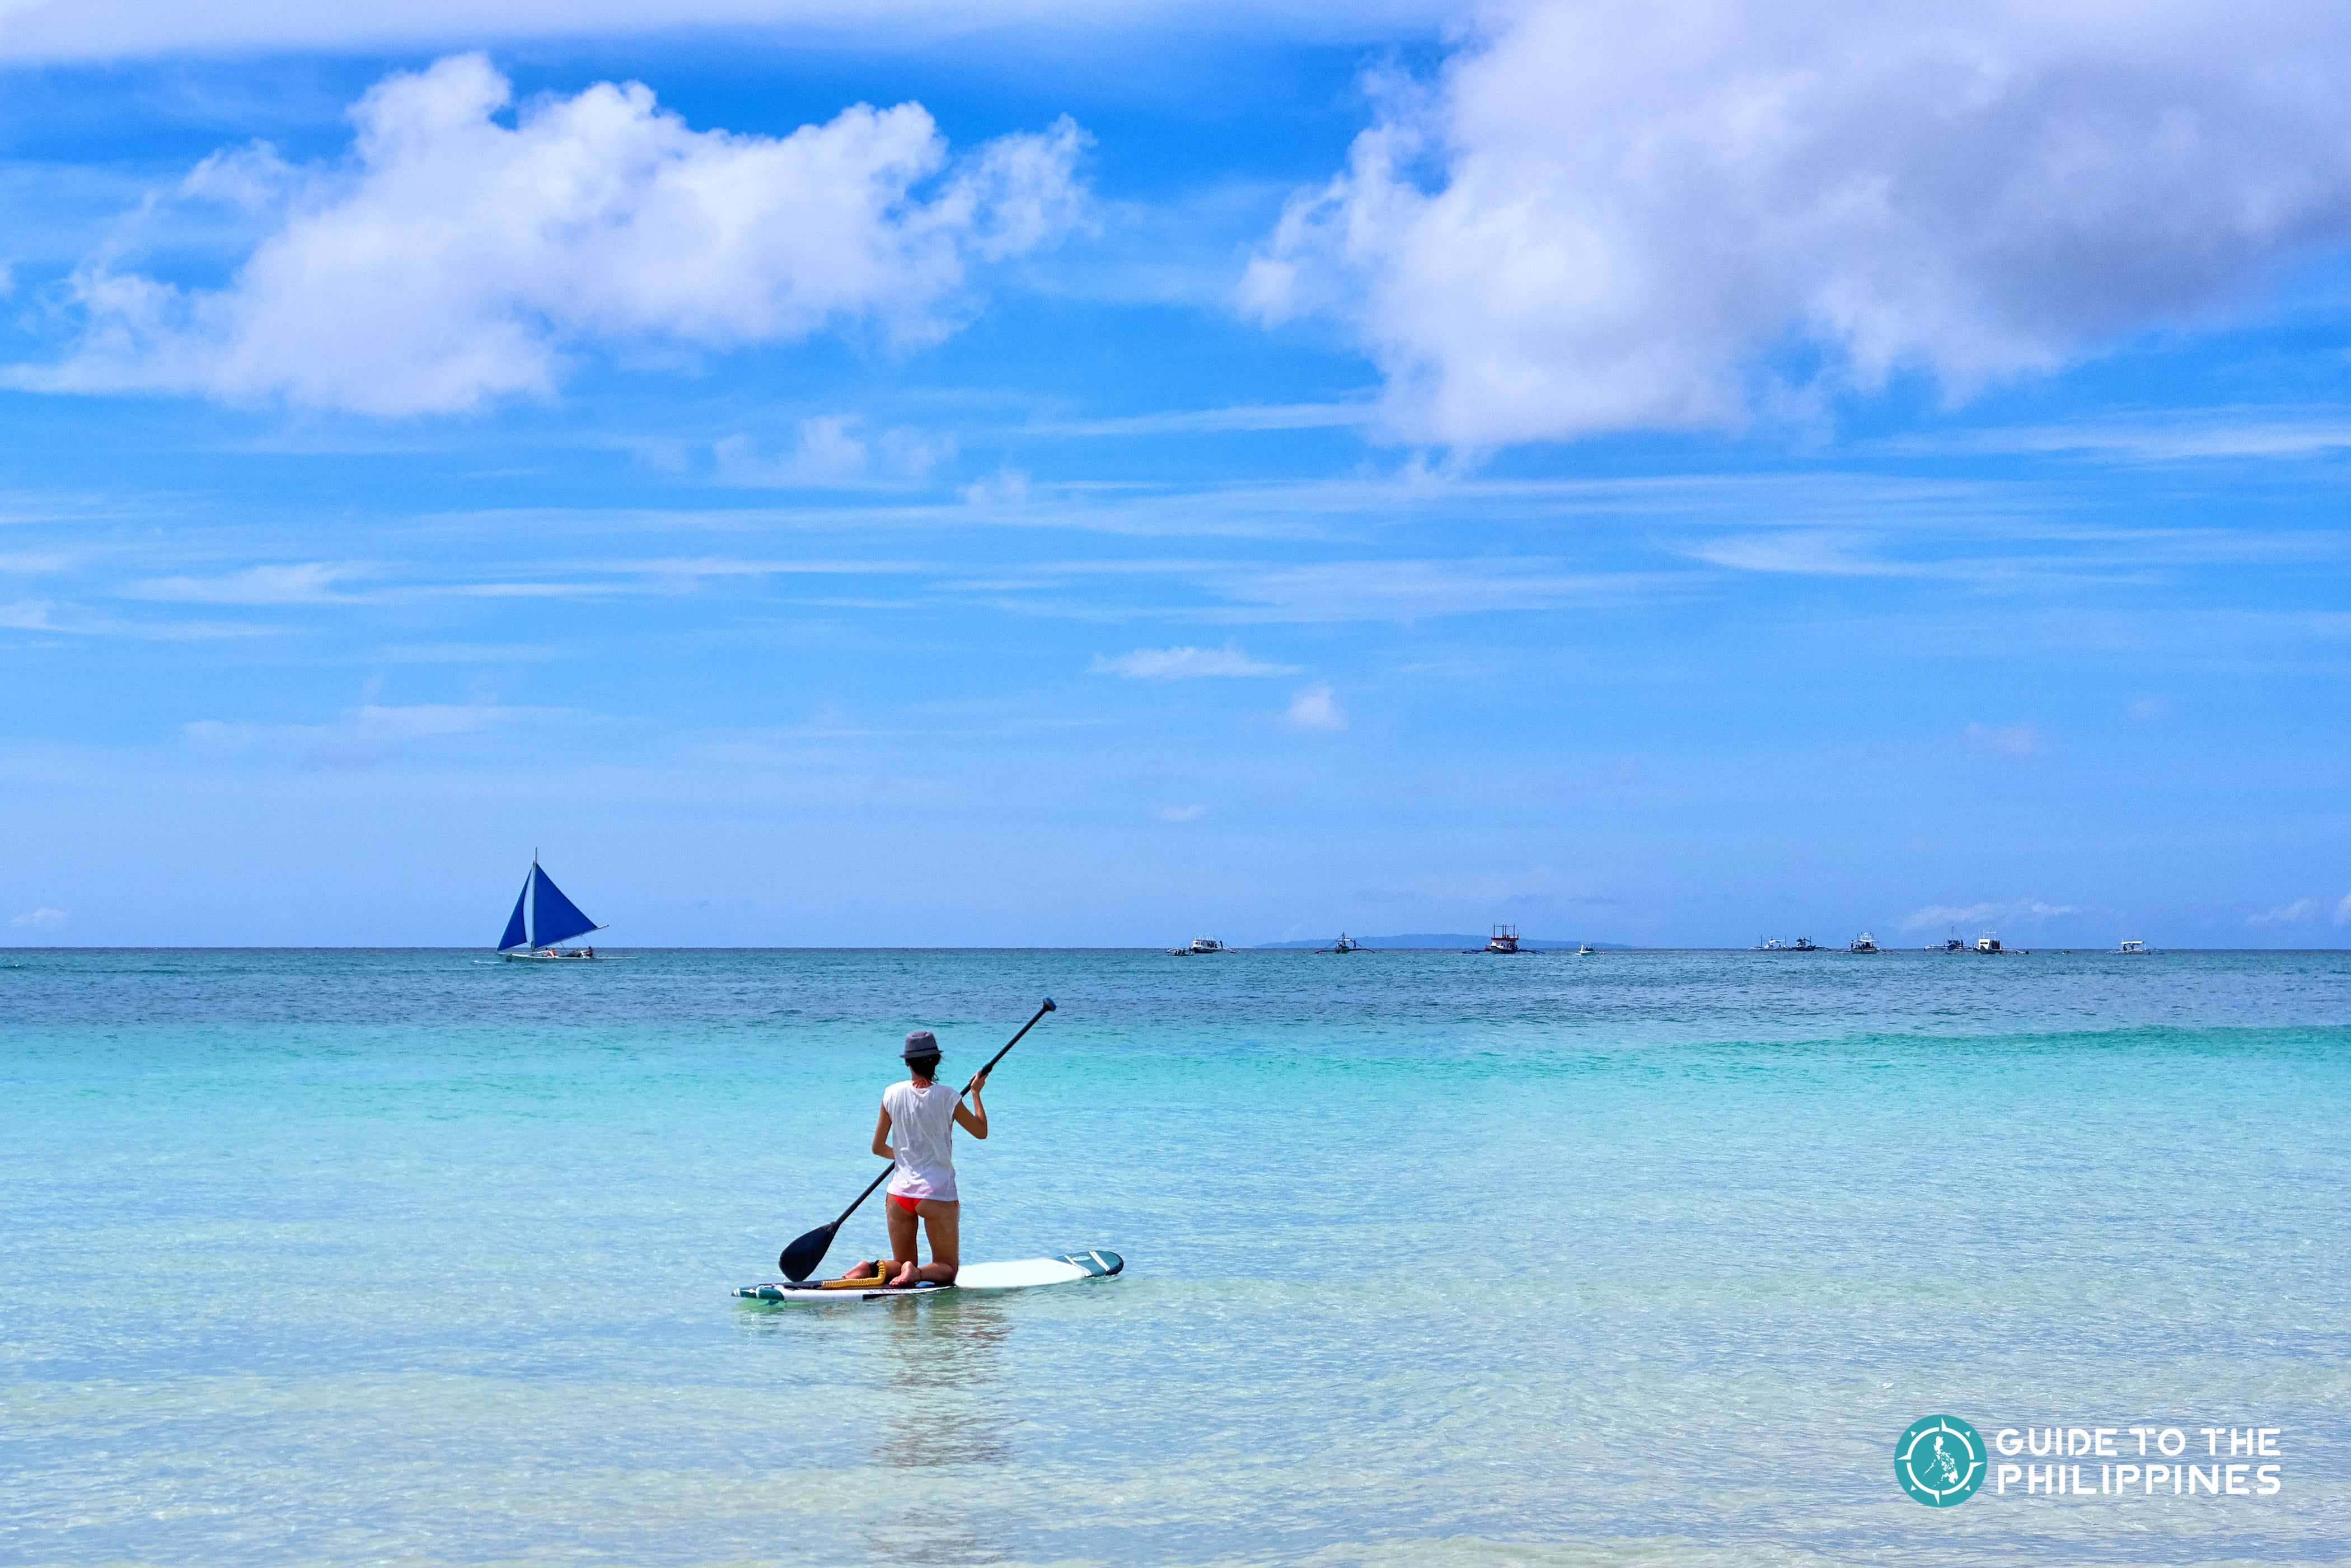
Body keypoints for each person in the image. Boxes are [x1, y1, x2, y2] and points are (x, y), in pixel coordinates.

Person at [836, 1029, 988, 1288]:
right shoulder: (949, 1096)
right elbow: (981, 1132)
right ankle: (916, 1274)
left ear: (907, 1062)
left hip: (898, 1195)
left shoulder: (891, 1093)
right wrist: (975, 1093)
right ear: (937, 1061)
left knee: (902, 1260)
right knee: (948, 1269)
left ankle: (871, 1267)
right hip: (936, 1194)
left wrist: (907, 1159)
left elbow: (877, 1147)